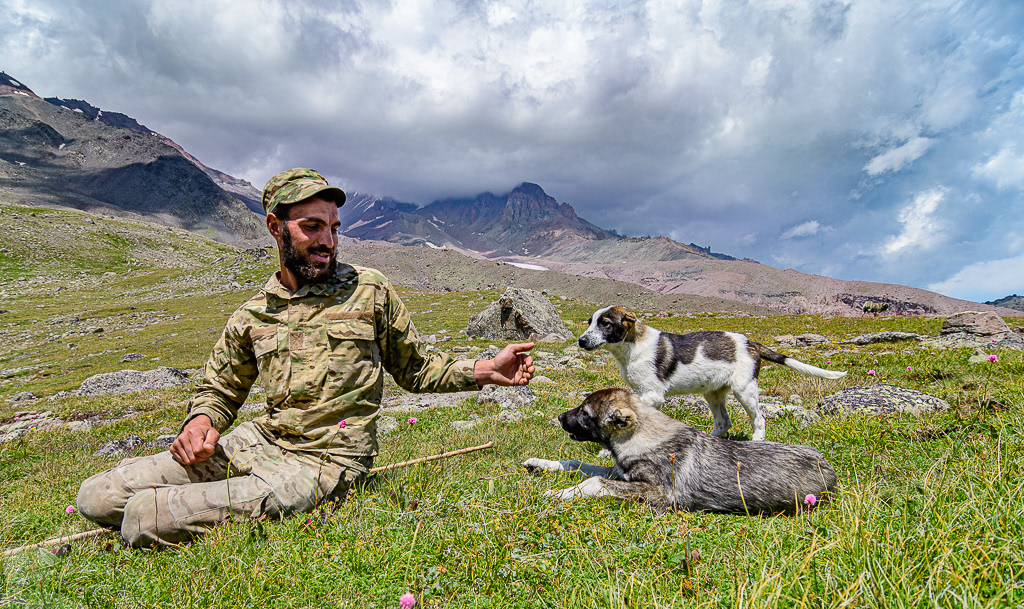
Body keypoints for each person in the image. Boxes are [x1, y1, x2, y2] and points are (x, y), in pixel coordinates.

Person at [77, 168, 535, 548]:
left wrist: (486, 370)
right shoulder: (254, 312)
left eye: (333, 228)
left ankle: (209, 505)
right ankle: (214, 496)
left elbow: (416, 369)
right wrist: (200, 424)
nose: (328, 241)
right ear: (276, 228)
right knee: (96, 497)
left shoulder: (369, 289)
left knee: (142, 518)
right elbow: (219, 389)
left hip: (324, 461)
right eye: (311, 227)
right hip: (258, 444)